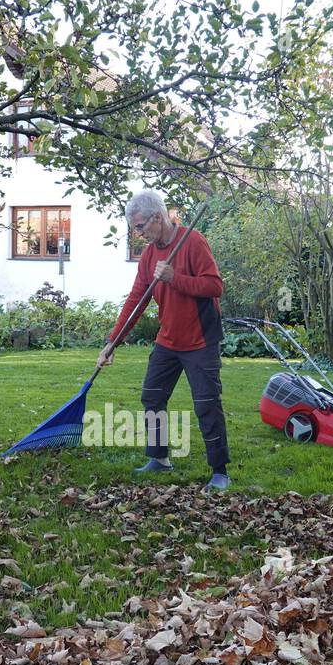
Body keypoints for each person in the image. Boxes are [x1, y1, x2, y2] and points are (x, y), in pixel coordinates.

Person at [97, 189, 230, 490]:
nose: (138, 233)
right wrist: (112, 341)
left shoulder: (193, 241)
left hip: (200, 340)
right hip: (168, 340)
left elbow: (214, 287)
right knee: (152, 396)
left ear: (158, 217)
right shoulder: (148, 255)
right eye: (135, 228)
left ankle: (220, 471)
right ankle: (159, 458)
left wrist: (174, 278)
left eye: (141, 226)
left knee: (207, 404)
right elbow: (136, 300)